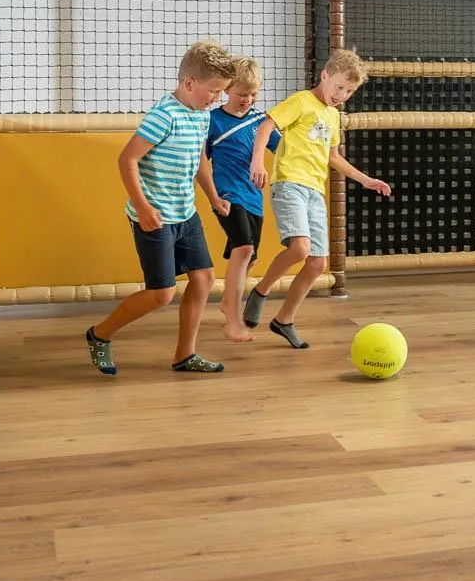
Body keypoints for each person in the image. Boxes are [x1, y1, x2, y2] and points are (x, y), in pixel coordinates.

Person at [84, 41, 237, 375]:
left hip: (185, 213)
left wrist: (212, 197)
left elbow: (199, 161)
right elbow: (127, 160)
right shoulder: (164, 116)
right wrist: (143, 208)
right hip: (154, 216)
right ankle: (99, 335)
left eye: (222, 92)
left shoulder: (201, 116)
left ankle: (185, 355)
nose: (217, 99)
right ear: (189, 83)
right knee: (161, 294)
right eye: (214, 91)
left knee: (203, 279)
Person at [244, 48, 391, 348]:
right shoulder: (302, 101)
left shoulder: (334, 115)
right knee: (299, 249)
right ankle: (261, 291)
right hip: (290, 185)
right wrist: (258, 161)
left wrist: (366, 179)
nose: (342, 95)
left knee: (317, 263)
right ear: (325, 75)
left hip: (314, 191)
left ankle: (284, 320)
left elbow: (333, 157)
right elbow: (266, 126)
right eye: (339, 87)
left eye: (349, 91)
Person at [205, 57, 282, 343]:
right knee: (244, 247)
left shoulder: (260, 122)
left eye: (253, 94)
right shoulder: (212, 121)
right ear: (227, 90)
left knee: (250, 257)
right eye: (241, 94)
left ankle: (228, 300)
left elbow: (283, 148)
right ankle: (233, 316)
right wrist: (213, 197)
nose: (247, 100)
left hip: (254, 200)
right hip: (228, 195)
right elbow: (200, 162)